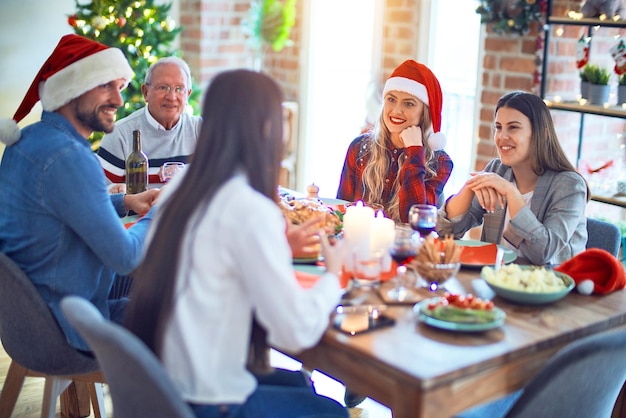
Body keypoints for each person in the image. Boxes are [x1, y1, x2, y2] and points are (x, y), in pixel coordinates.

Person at [123, 69, 348, 418]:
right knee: (332, 412)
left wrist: (278, 246)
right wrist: (334, 276)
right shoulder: (249, 209)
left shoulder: (179, 190)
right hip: (207, 401)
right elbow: (295, 332)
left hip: (161, 385)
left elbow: (212, 260)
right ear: (265, 128)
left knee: (300, 387)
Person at [0, 34, 160, 351]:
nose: (118, 99)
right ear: (72, 89)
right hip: (69, 329)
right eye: (105, 86)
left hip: (29, 320)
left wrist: (125, 201)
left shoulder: (29, 140)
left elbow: (63, 207)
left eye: (120, 86)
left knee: (155, 293)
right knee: (183, 312)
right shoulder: (70, 158)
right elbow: (126, 257)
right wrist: (160, 212)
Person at [437, 90, 589, 266]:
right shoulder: (497, 170)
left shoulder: (569, 185)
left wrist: (512, 194)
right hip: (497, 282)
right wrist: (471, 186)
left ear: (542, 133)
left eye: (513, 127)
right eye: (499, 127)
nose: (502, 137)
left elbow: (544, 253)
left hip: (551, 287)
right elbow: (445, 232)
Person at [337, 59, 454, 223]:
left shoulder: (440, 162)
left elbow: (416, 221)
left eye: (409, 104)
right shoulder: (359, 147)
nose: (397, 110)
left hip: (406, 247)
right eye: (391, 99)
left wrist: (414, 151)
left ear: (424, 113)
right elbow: (341, 212)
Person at [97, 56, 202, 187]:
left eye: (179, 89)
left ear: (188, 95)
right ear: (145, 92)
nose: (171, 97)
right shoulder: (119, 135)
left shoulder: (201, 130)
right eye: (163, 87)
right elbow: (103, 197)